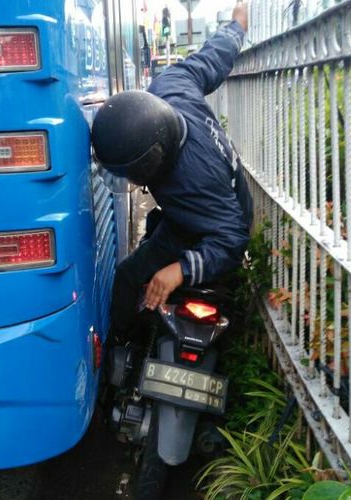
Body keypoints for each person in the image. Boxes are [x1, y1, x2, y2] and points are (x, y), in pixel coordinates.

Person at [91, 2, 252, 344]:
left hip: (213, 222)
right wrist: (237, 26)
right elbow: (214, 56)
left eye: (133, 174)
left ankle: (122, 343)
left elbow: (234, 239)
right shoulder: (172, 85)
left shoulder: (194, 183)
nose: (133, 182)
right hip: (195, 211)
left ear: (153, 162)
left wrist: (180, 270)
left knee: (128, 275)